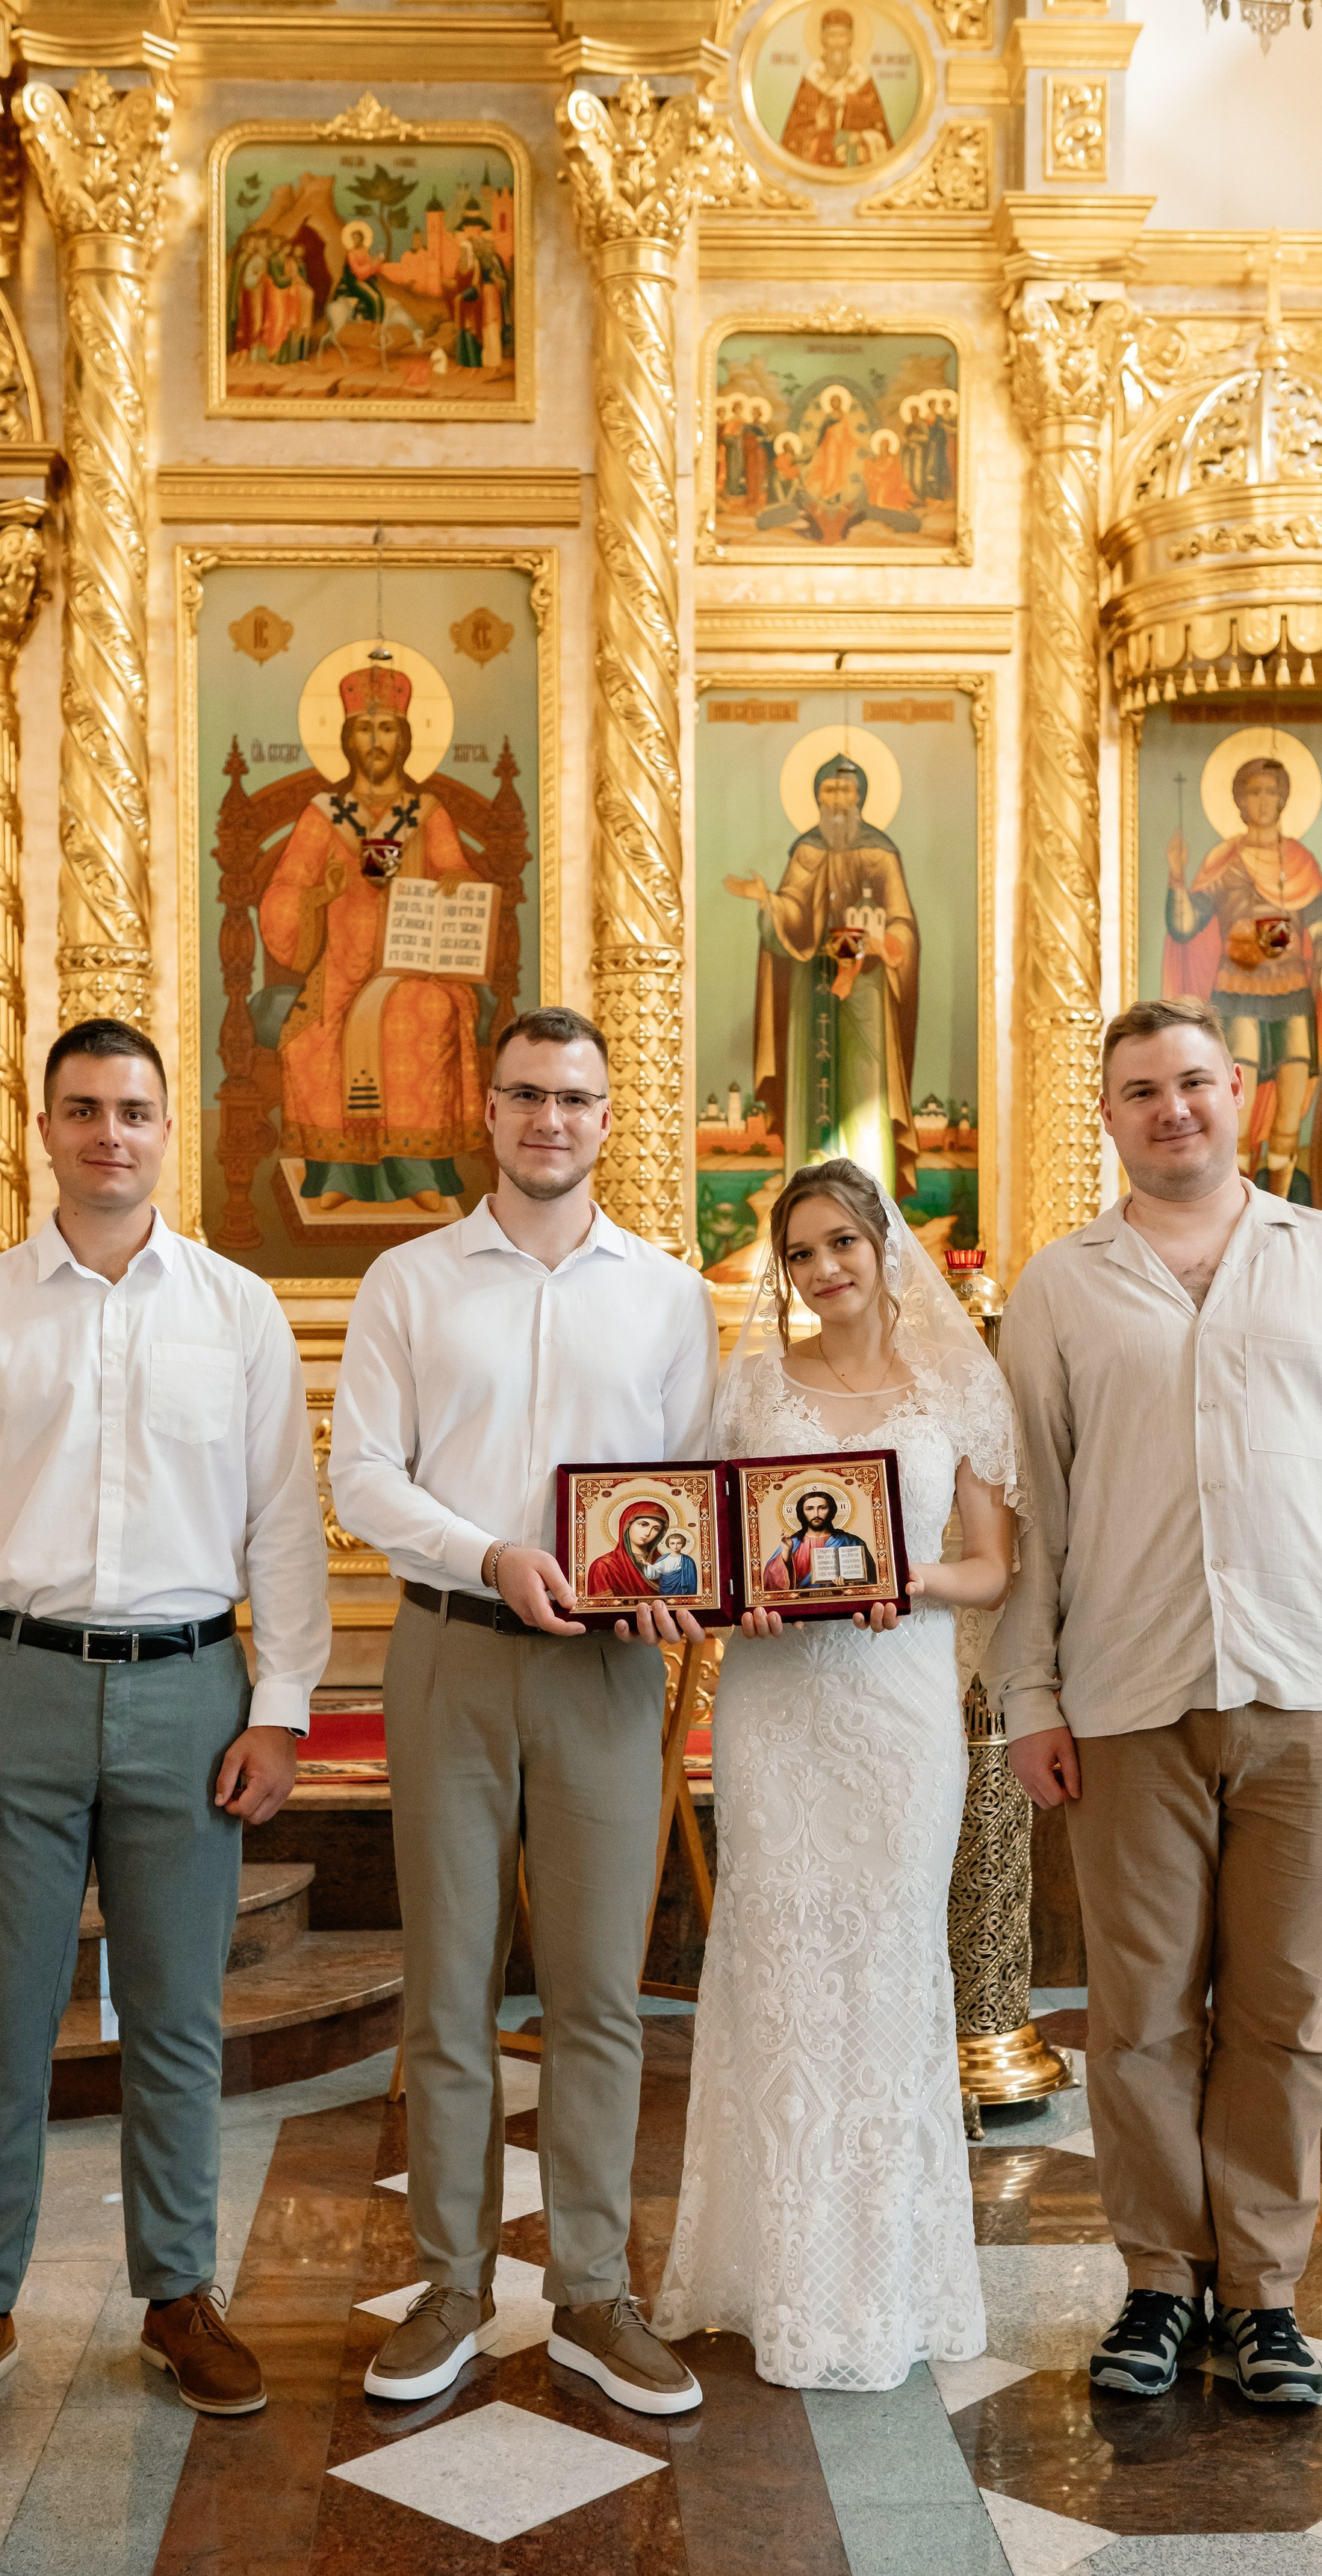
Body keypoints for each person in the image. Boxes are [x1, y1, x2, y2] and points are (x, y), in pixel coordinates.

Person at [987, 996, 1322, 2407]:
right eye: (1141, 1090)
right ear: (1111, 1113)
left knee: (1281, 2009)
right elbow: (1037, 1509)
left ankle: (1262, 2293)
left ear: (1241, 1091)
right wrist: (1029, 1689)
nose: (1173, 1108)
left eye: (1194, 1081)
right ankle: (1156, 2283)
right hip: (1128, 1694)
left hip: (1309, 1694)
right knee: (1139, 2013)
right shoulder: (1063, 1285)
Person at [0, 1019, 329, 2435]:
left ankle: (180, 2291)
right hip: (12, 1685)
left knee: (179, 2017)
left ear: (164, 1129)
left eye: (134, 1110)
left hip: (191, 1687)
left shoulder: (237, 1309)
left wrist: (283, 1708)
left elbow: (284, 1526)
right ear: (48, 1127)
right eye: (83, 1109)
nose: (110, 1134)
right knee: (2, 2021)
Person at [330, 1005, 719, 2415]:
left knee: (599, 1993)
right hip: (452, 1645)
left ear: (610, 1118)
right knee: (448, 1986)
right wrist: (488, 1551)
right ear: (484, 1112)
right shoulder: (409, 1282)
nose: (551, 1117)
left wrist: (678, 1577)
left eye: (577, 1096)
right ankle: (449, 2282)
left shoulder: (668, 1296)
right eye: (525, 1095)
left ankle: (594, 2290)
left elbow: (687, 1485)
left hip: (608, 1670)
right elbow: (363, 1477)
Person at [653, 1156, 1022, 2389]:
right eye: (799, 1253)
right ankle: (767, 2273)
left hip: (898, 1705)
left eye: (839, 1246)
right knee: (776, 1958)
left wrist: (895, 1587)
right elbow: (706, 1539)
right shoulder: (752, 1385)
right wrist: (737, 1600)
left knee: (884, 1963)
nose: (820, 1271)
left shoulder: (954, 1388)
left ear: (883, 1246)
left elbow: (992, 1565)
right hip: (777, 1712)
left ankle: (885, 2280)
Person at [258, 655, 483, 1214]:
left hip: (415, 966)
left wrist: (454, 884)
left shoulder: (427, 813)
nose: (376, 739)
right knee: (315, 1040)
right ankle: (339, 1173)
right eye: (365, 728)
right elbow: (285, 889)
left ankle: (418, 1171)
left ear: (405, 740)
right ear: (346, 738)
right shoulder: (323, 815)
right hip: (338, 968)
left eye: (387, 728)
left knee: (425, 1017)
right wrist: (319, 895)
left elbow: (459, 873)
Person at [725, 750, 921, 1198]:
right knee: (808, 1096)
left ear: (861, 798)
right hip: (810, 988)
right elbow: (793, 908)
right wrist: (769, 904)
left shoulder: (880, 853)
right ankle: (805, 1202)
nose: (837, 801)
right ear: (816, 798)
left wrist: (883, 943)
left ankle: (873, 1209)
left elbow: (902, 922)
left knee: (865, 1096)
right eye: (828, 791)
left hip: (866, 993)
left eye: (845, 790)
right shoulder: (807, 851)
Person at [1164, 754, 1322, 1205]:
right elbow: (1186, 924)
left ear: (1285, 798)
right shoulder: (1224, 860)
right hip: (1239, 993)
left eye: (1272, 791)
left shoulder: (1301, 862)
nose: (1264, 800)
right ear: (1239, 801)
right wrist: (1177, 874)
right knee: (1239, 1114)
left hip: (1292, 995)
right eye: (1254, 791)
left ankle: (1283, 1214)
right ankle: (1237, 1211)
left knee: (1290, 1116)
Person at [779, 6, 894, 170]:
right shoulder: (812, 79)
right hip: (817, 170)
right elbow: (792, 138)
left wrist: (856, 136)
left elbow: (881, 135)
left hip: (855, 172)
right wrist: (817, 126)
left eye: (843, 36)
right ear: (823, 39)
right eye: (832, 36)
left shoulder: (862, 80)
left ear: (851, 38)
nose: (837, 43)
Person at [761, 1483, 877, 1594]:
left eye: (822, 1508)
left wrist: (849, 1584)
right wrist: (786, 1553)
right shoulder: (793, 1543)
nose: (816, 1514)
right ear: (802, 1512)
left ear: (831, 1510)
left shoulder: (852, 1542)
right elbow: (770, 1586)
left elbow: (871, 1582)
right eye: (809, 1509)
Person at [586, 1501, 668, 1603]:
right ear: (627, 1525)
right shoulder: (604, 1566)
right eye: (643, 1524)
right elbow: (601, 1609)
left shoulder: (666, 1563)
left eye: (656, 1529)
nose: (648, 1533)